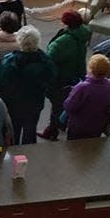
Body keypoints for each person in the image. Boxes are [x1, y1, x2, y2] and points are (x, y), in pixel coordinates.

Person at [0, 25, 56, 145]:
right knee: (30, 130)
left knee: (14, 131)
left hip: (14, 104)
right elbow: (52, 77)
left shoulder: (9, 62)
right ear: (37, 41)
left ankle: (13, 157)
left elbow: (0, 83)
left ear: (20, 41)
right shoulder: (45, 62)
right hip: (35, 102)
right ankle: (29, 156)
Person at [41, 10, 92, 140]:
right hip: (75, 73)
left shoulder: (63, 42)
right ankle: (62, 123)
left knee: (57, 104)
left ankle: (52, 130)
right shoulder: (83, 32)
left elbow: (49, 59)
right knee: (67, 99)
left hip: (60, 77)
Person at [63, 54, 110, 140]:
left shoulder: (83, 87)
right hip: (98, 124)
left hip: (79, 126)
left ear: (90, 68)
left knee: (74, 149)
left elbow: (69, 107)